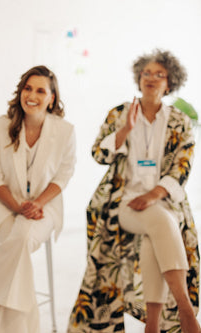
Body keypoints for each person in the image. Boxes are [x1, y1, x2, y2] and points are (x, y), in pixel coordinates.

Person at [68, 49, 200, 333]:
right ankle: (186, 311)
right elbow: (99, 154)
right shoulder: (120, 113)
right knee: (161, 223)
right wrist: (125, 130)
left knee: (157, 233)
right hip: (124, 203)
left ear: (170, 82)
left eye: (159, 74)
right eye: (146, 73)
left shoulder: (179, 121)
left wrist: (152, 196)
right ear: (138, 78)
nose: (151, 78)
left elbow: (182, 168)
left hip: (163, 201)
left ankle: (151, 326)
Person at [0, 66, 76, 333]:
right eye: (27, 88)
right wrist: (19, 207)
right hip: (2, 205)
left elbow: (64, 175)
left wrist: (38, 204)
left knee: (17, 239)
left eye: (40, 90)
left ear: (52, 98)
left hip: (45, 207)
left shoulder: (65, 131)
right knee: (17, 243)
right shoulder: (0, 126)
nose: (32, 95)